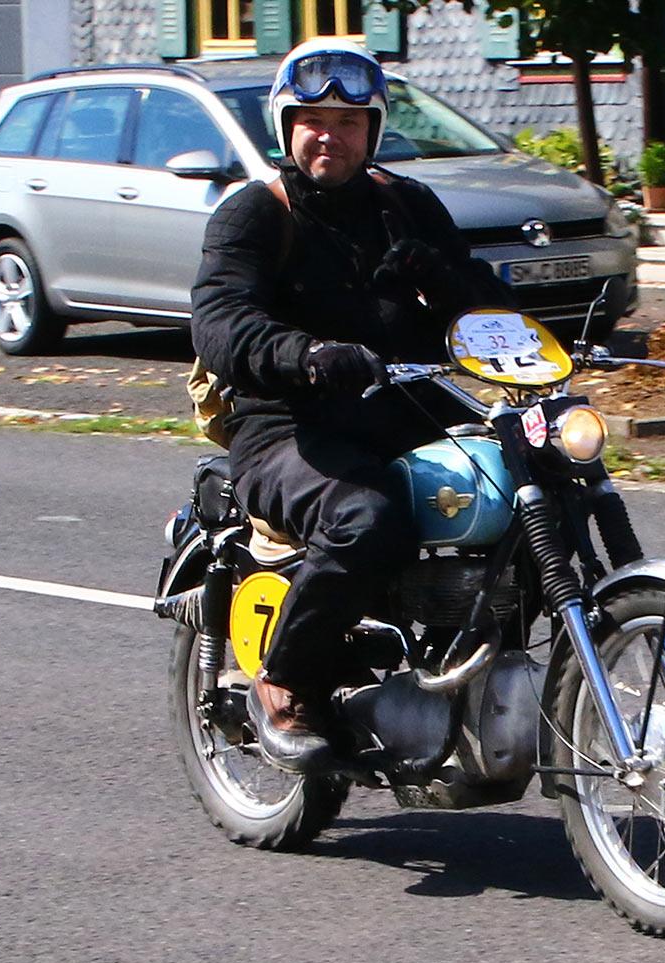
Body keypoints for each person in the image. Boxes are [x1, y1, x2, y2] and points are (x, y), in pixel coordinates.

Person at [190, 38, 514, 772]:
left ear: (372, 130)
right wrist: (305, 354)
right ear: (287, 127)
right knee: (368, 517)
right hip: (289, 427)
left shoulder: (408, 205)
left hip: (410, 408)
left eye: (347, 121)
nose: (328, 135)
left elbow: (489, 309)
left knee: (525, 484)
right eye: (312, 120)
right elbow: (220, 322)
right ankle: (286, 681)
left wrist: (450, 281)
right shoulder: (254, 215)